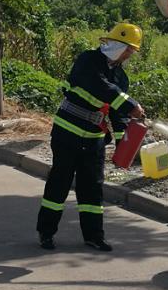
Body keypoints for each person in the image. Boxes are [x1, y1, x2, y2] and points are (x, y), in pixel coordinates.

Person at [36, 22, 145, 252]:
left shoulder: (121, 77)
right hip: (67, 133)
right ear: (116, 44)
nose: (128, 55)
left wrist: (124, 145)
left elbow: (117, 115)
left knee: (93, 189)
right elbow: (99, 86)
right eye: (127, 49)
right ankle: (46, 233)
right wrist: (130, 104)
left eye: (132, 52)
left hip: (94, 139)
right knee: (59, 184)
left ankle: (94, 236)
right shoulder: (88, 60)